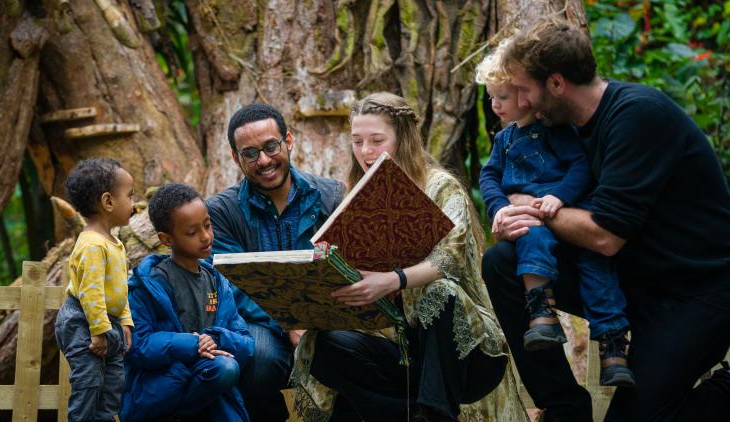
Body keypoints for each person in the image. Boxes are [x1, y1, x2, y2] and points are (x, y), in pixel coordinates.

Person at [482, 19, 730, 421]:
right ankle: (564, 407)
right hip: (631, 278)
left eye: (525, 90)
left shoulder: (637, 115)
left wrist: (531, 207)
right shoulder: (560, 127)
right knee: (502, 263)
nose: (523, 103)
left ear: (557, 83)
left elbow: (604, 237)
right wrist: (509, 212)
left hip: (695, 291)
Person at [291, 92, 529, 422]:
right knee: (322, 344)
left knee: (439, 292)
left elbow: (450, 260)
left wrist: (393, 280)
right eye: (357, 142)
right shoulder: (354, 194)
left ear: (401, 138)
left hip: (464, 347)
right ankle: (403, 415)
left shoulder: (440, 186)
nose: (366, 152)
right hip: (398, 347)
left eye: (376, 140)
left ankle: (434, 413)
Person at [476, 41, 635, 386]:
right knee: (530, 237)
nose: (495, 104)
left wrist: (558, 197)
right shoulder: (504, 140)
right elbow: (488, 176)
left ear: (525, 94)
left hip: (569, 213)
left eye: (503, 96)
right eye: (491, 97)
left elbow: (580, 166)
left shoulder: (556, 130)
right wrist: (500, 207)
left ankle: (612, 347)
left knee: (598, 271)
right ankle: (541, 312)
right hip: (535, 220)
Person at [205, 103, 346, 421]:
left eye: (271, 146)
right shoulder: (221, 211)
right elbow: (231, 282)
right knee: (259, 359)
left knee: (343, 349)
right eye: (250, 153)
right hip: (258, 321)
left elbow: (346, 265)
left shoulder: (331, 196)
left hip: (324, 315)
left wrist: (310, 320)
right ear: (235, 158)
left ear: (289, 141)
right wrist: (288, 321)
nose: (264, 161)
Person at [121, 183, 254, 421]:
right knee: (223, 368)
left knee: (226, 368)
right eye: (192, 233)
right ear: (166, 239)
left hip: (211, 387)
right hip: (165, 386)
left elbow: (245, 341)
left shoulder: (217, 282)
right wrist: (191, 344)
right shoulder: (149, 284)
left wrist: (215, 339)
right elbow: (137, 345)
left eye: (207, 225)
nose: (205, 237)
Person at [55, 158, 134, 422]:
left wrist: (124, 321)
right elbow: (91, 293)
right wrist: (99, 331)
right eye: (130, 196)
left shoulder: (114, 242)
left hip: (104, 321)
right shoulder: (91, 245)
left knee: (113, 383)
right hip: (82, 321)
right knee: (88, 383)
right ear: (108, 202)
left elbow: (118, 288)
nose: (134, 205)